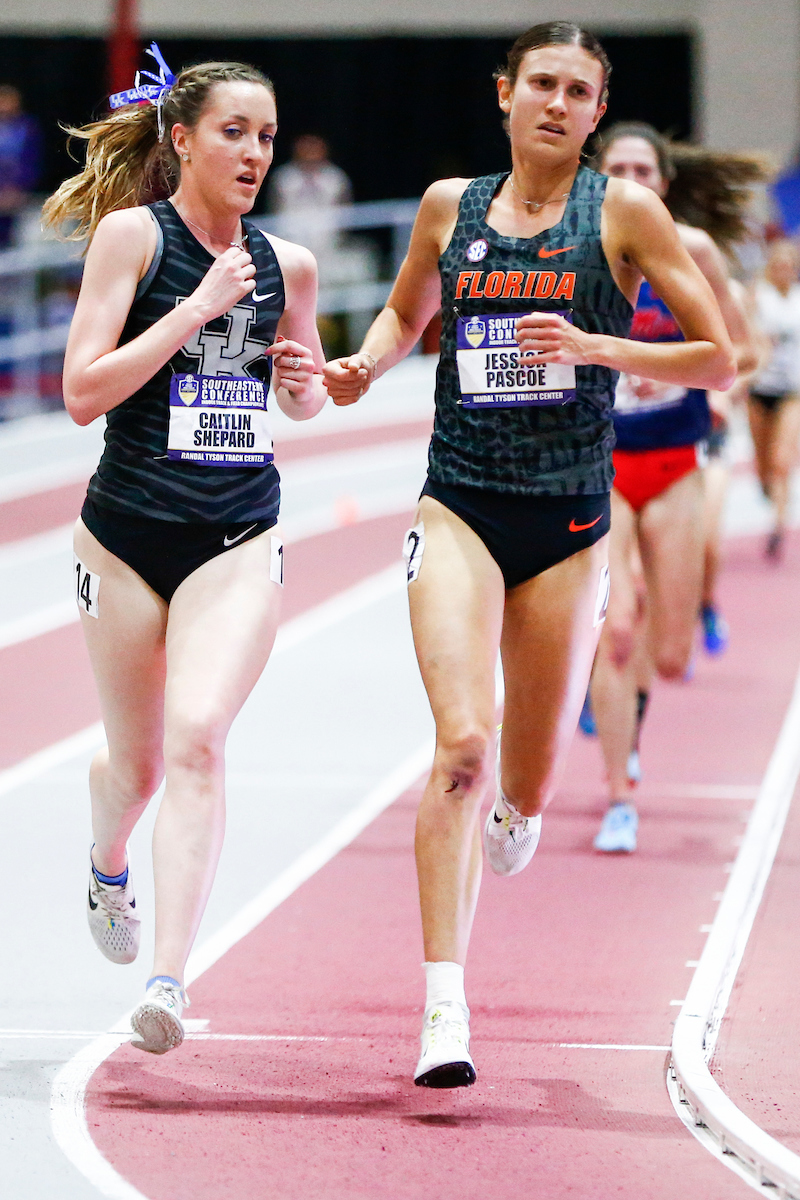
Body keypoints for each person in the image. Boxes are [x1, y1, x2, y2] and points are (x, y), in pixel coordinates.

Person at [324, 23, 734, 1087]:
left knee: (525, 781)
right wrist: (362, 366)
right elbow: (405, 314)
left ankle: (521, 809)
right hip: (458, 503)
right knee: (459, 743)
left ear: (598, 110)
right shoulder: (444, 206)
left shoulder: (626, 212)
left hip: (563, 521)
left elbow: (717, 357)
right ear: (504, 94)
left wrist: (597, 344)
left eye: (577, 90)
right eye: (539, 84)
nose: (555, 103)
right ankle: (442, 1012)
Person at [42, 46, 326, 1054]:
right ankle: (105, 859)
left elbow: (295, 399)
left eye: (263, 135)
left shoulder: (288, 265)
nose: (252, 152)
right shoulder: (131, 239)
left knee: (200, 734)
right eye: (232, 133)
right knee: (138, 762)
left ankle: (168, 980)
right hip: (122, 536)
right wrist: (198, 309)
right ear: (181, 139)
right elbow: (82, 394)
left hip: (237, 530)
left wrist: (302, 375)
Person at [589, 124, 760, 852]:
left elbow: (743, 348)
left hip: (675, 464)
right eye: (617, 167)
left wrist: (716, 389)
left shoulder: (691, 251)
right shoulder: (578, 247)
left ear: (662, 180)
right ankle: (619, 789)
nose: (631, 178)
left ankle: (627, 713)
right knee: (616, 630)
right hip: (601, 465)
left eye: (642, 168)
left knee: (667, 648)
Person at [748, 238, 800, 559]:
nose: (783, 271)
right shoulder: (757, 298)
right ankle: (767, 487)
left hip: (792, 391)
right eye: (777, 265)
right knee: (763, 463)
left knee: (782, 460)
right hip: (760, 390)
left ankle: (778, 527)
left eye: (788, 266)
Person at [0, 83, 42, 247]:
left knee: (17, 243)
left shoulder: (27, 128)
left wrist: (18, 190)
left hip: (19, 196)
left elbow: (32, 161)